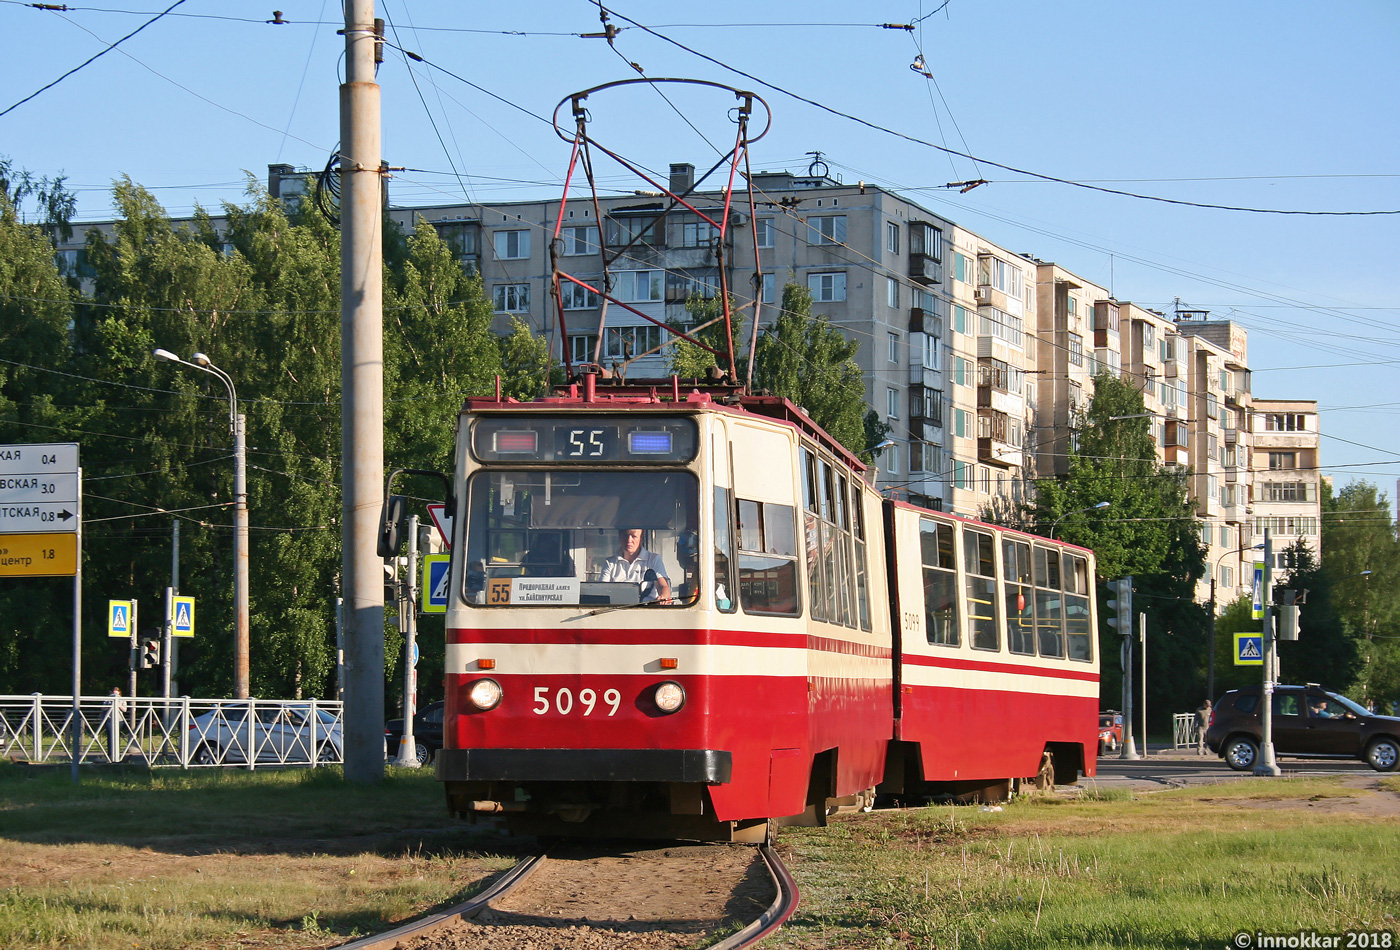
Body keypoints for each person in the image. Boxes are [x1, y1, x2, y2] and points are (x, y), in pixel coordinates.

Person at [601, 527, 672, 603]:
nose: (629, 540)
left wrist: (663, 597)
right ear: (619, 537)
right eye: (625, 535)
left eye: (634, 536)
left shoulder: (653, 559)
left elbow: (663, 586)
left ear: (641, 538)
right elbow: (601, 590)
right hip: (616, 609)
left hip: (647, 610)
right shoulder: (610, 562)